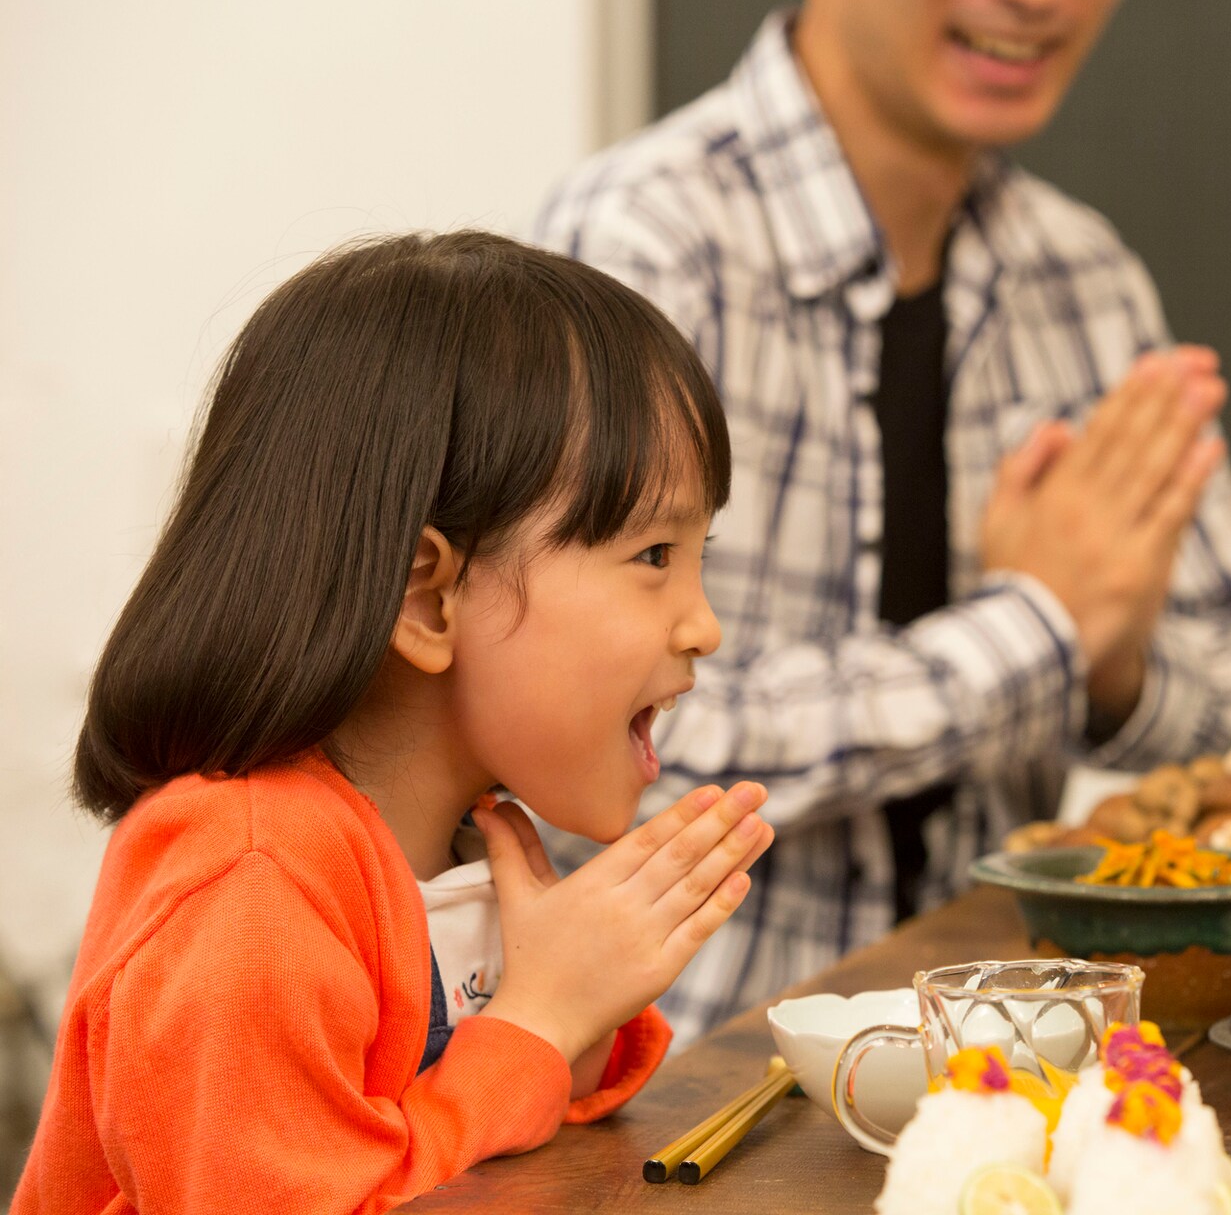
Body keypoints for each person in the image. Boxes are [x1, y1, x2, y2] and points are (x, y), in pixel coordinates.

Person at [534, 0, 1231, 1040]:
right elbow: (594, 735)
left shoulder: (1078, 276)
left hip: (1013, 1044)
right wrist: (1041, 629)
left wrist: (1117, 664)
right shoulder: (640, 250)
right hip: (687, 1068)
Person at [12, 232, 772, 1214]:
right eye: (654, 555)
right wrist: (538, 1023)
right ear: (428, 596)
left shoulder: (465, 836)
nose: (702, 625)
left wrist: (583, 1001)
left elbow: (486, 1138)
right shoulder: (249, 882)